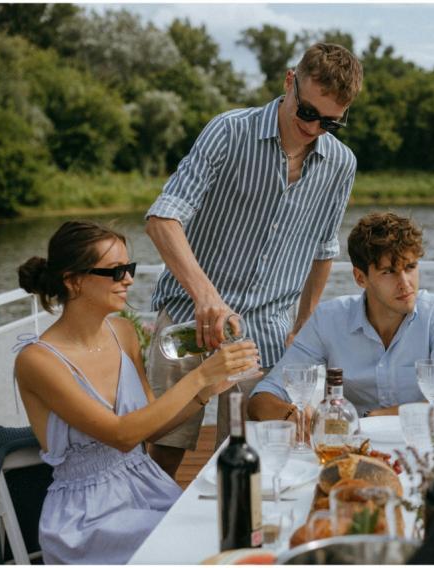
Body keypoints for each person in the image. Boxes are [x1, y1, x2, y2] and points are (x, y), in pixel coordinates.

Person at [144, 42, 363, 477]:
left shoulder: (341, 164)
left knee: (255, 462)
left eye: (330, 123)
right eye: (307, 113)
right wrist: (206, 296)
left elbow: (323, 250)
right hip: (191, 320)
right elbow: (162, 218)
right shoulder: (228, 131)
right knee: (163, 453)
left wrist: (302, 327)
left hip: (265, 332)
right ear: (289, 82)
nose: (315, 128)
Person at [14, 221, 258, 564]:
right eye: (115, 271)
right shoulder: (37, 360)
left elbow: (150, 426)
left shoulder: (124, 331)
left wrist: (208, 392)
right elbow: (123, 435)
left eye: (129, 268)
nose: (128, 279)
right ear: (73, 280)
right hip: (88, 517)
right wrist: (201, 375)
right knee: (206, 546)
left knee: (236, 528)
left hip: (146, 485)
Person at [248, 212, 434, 426]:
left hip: (424, 445)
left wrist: (376, 417)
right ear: (360, 278)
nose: (405, 283)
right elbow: (261, 400)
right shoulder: (329, 319)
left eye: (410, 267)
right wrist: (294, 416)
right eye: (388, 272)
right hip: (355, 448)